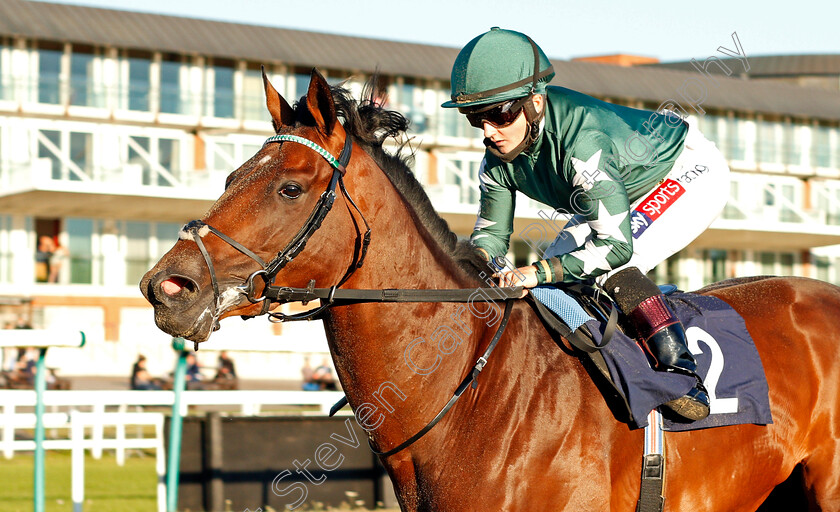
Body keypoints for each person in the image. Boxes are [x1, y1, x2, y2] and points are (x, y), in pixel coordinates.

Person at [442, 28, 732, 421]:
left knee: (608, 265)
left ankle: (682, 375)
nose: (489, 130)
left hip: (682, 170)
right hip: (616, 185)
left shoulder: (582, 142)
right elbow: (490, 240)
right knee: (555, 281)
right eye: (476, 117)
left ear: (535, 103)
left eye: (500, 113)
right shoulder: (496, 159)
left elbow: (615, 247)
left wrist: (536, 271)